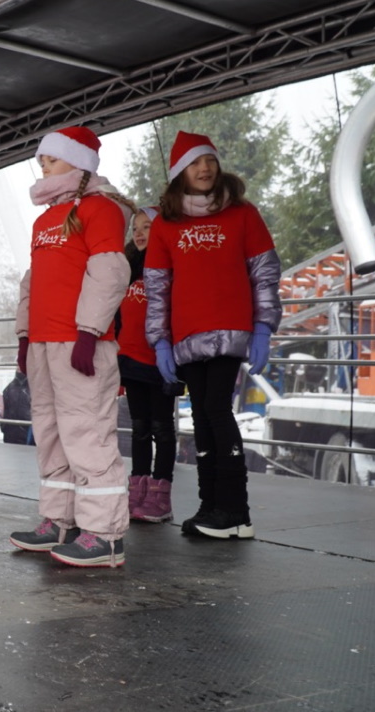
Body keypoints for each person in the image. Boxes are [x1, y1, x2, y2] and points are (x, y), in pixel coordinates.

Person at [145, 131, 281, 539]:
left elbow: (265, 273)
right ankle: (211, 506)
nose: (204, 168)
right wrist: (160, 340)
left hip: (230, 330)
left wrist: (263, 327)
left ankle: (236, 511)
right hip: (187, 336)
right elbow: (157, 287)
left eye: (209, 160)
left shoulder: (243, 214)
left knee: (217, 409)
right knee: (202, 415)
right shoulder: (165, 224)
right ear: (179, 172)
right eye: (194, 162)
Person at [9, 126, 133, 568]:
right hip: (45, 342)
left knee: (87, 432)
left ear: (78, 162)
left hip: (80, 341)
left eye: (51, 158)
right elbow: (32, 283)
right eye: (41, 160)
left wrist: (89, 331)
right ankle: (59, 520)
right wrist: (25, 335)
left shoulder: (102, 209)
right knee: (51, 432)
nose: (43, 166)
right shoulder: (44, 220)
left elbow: (110, 271)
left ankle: (105, 534)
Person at [117, 206, 179, 523]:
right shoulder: (128, 268)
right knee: (139, 429)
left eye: (146, 227)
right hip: (131, 362)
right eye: (135, 228)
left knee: (162, 430)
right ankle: (137, 491)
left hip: (160, 362)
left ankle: (160, 497)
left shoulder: (172, 267)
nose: (139, 233)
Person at [0, 370, 32, 445]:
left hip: (28, 432)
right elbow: (4, 410)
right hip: (10, 433)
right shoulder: (8, 389)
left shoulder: (34, 388)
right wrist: (4, 427)